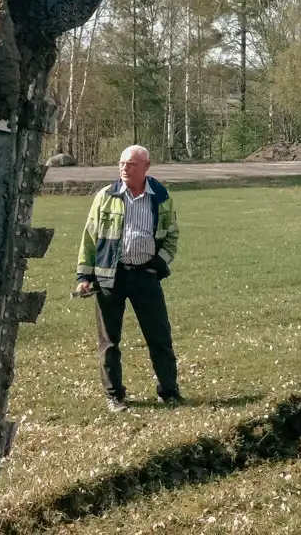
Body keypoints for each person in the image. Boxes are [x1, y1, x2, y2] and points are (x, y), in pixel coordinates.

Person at [76, 145, 183, 412]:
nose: (125, 168)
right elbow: (89, 239)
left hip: (145, 276)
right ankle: (114, 395)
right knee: (109, 341)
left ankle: (169, 391)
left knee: (159, 336)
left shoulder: (161, 197)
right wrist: (84, 276)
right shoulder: (105, 196)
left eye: (132, 164)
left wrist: (157, 265)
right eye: (122, 163)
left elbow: (172, 236)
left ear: (146, 167)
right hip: (110, 276)